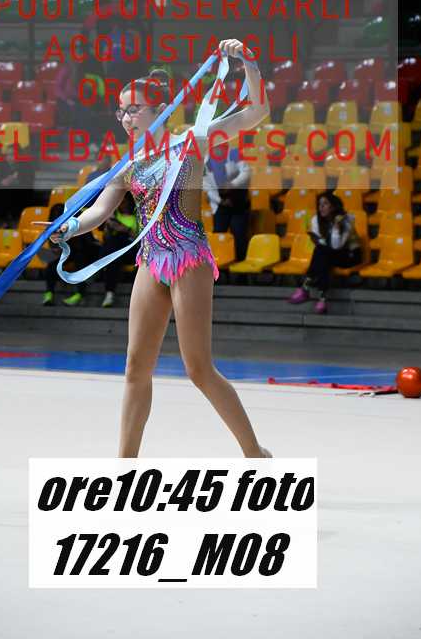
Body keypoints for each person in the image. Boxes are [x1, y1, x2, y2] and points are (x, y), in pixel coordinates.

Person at [49, 39, 272, 458]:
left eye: (134, 109)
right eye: (121, 111)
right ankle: (125, 466)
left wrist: (249, 63)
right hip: (151, 260)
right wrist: (70, 227)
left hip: (188, 257)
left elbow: (256, 112)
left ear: (161, 110)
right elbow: (100, 211)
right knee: (136, 367)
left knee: (198, 369)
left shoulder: (192, 142)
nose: (125, 117)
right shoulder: (128, 162)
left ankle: (254, 452)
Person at [288, 192, 362, 314]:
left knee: (322, 252)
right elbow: (323, 244)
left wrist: (336, 227)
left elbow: (336, 246)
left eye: (325, 204)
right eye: (319, 204)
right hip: (329, 254)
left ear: (333, 206)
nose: (321, 207)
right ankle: (322, 299)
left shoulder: (347, 220)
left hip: (349, 255)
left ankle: (306, 288)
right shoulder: (316, 220)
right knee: (322, 253)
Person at [42, 203, 101, 307]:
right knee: (52, 264)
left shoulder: (77, 219)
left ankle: (80, 293)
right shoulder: (54, 226)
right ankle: (49, 293)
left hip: (84, 251)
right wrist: (56, 248)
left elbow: (88, 242)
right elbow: (52, 244)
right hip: (68, 253)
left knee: (80, 260)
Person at [203, 144, 251, 261]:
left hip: (238, 200)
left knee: (239, 234)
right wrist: (221, 201)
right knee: (219, 233)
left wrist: (233, 184)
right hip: (220, 204)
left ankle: (240, 264)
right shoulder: (206, 162)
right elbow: (207, 186)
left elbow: (246, 172)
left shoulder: (234, 153)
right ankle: (219, 265)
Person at [99, 191, 138, 307]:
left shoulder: (137, 217)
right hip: (116, 251)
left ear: (130, 202)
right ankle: (109, 293)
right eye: (120, 202)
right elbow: (106, 235)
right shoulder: (114, 216)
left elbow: (136, 236)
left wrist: (124, 229)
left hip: (131, 250)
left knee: (118, 241)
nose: (122, 204)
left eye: (124, 202)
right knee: (113, 253)